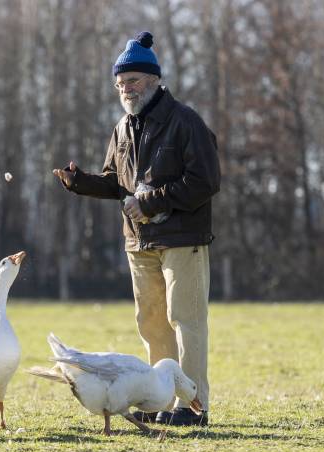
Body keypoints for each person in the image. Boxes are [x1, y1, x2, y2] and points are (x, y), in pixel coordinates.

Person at [53, 31, 220, 426]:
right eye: (119, 83)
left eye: (132, 81)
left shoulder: (186, 122)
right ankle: (161, 400)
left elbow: (205, 181)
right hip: (139, 242)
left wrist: (150, 202)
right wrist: (81, 183)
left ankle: (193, 407)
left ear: (154, 80)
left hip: (183, 240)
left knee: (186, 321)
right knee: (152, 324)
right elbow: (117, 182)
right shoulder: (123, 128)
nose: (124, 89)